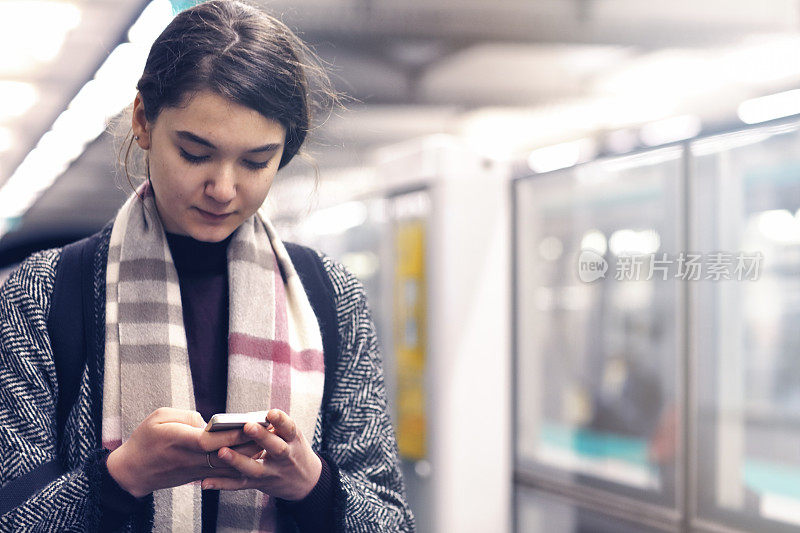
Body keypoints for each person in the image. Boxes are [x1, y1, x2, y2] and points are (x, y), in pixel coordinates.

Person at [0, 1, 415, 531]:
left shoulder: (329, 297)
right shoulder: (44, 295)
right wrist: (118, 478)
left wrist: (311, 485)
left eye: (256, 161)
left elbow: (393, 519)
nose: (223, 188)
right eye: (195, 153)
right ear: (143, 120)